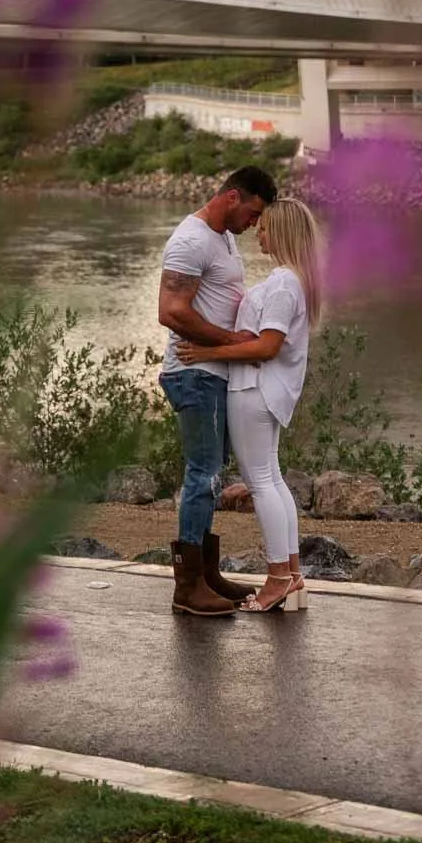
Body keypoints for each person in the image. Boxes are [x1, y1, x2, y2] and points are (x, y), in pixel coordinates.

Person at [177, 198, 323, 613]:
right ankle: (292, 576)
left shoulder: (282, 283)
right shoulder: (295, 281)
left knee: (261, 482)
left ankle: (278, 578)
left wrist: (207, 353)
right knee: (271, 480)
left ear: (284, 233)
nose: (258, 233)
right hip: (264, 392)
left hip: (253, 390)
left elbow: (268, 345)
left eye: (265, 228)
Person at [157, 165, 278, 617]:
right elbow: (171, 311)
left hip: (214, 373)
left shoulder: (222, 237)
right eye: (253, 213)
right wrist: (233, 343)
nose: (253, 225)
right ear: (232, 197)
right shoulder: (190, 241)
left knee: (210, 474)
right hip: (194, 373)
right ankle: (186, 587)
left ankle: (206, 573)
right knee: (202, 473)